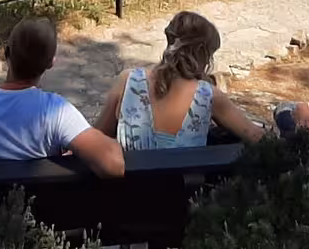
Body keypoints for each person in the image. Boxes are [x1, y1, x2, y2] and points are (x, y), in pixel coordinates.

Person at [0, 18, 124, 190]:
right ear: (50, 63)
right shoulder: (56, 111)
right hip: (27, 227)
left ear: (6, 53)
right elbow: (114, 165)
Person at [92, 11, 265, 149]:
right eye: (210, 55)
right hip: (184, 192)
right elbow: (254, 135)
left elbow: (97, 137)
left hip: (128, 190)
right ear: (200, 51)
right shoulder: (207, 96)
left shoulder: (128, 81)